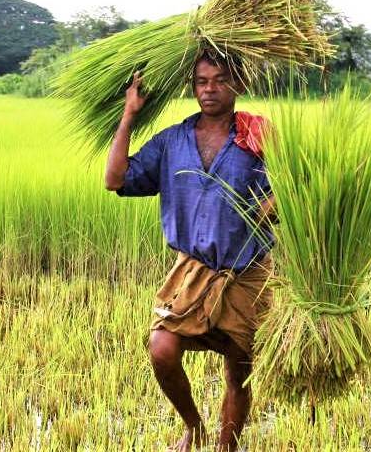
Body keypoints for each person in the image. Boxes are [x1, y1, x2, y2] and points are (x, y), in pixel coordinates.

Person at [104, 50, 276, 451]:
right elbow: (116, 179)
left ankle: (226, 447)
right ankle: (194, 426)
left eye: (220, 80)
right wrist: (129, 114)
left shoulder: (257, 137)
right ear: (192, 87)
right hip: (192, 271)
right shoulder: (172, 141)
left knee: (239, 371)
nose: (210, 89)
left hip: (245, 273)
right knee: (161, 349)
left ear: (240, 85)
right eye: (202, 82)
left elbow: (290, 193)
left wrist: (274, 203)